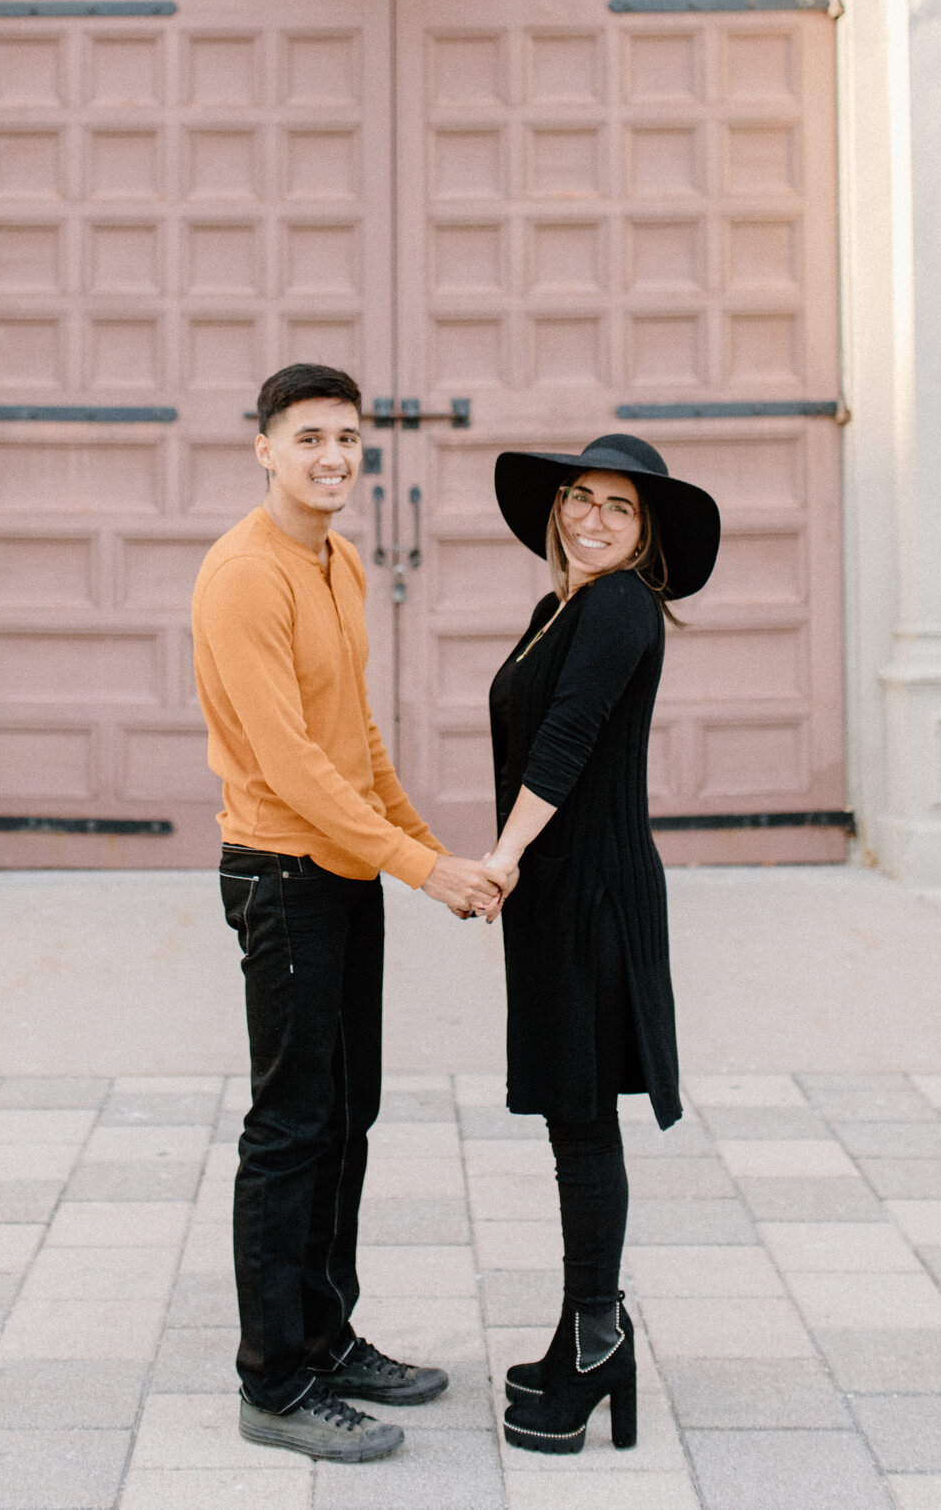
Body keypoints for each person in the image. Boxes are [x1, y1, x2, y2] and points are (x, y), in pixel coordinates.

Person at [192, 362, 501, 1464]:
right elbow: (287, 762)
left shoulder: (342, 561)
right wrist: (425, 870)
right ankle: (275, 1383)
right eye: (309, 438)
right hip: (282, 876)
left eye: (347, 439)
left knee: (346, 1114)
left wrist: (428, 848)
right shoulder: (244, 575)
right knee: (290, 1130)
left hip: (344, 872)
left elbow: (353, 739)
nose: (332, 458)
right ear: (264, 447)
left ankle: (326, 1339)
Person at [477, 434, 720, 1456]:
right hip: (557, 892)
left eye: (619, 510)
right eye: (580, 499)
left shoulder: (621, 606)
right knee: (572, 1116)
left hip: (591, 897)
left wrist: (501, 858)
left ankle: (594, 1347)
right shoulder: (559, 608)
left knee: (581, 1120)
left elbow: (567, 740)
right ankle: (588, 1331)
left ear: (646, 532)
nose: (591, 520)